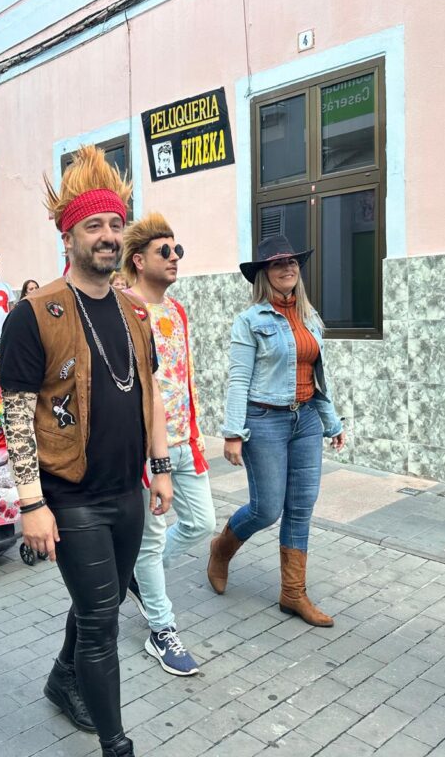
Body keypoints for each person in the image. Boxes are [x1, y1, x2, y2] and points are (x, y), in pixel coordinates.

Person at [0, 145, 173, 757]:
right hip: (69, 496)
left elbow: (149, 392)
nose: (106, 235)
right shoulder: (35, 313)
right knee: (102, 620)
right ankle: (115, 743)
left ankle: (62, 680)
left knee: (103, 600)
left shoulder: (134, 310)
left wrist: (160, 467)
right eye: (93, 225)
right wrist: (30, 503)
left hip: (127, 490)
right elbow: (15, 416)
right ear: (67, 234)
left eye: (114, 224)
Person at [210, 234, 346, 627]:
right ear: (264, 274)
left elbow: (318, 377)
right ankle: (222, 547)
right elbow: (238, 379)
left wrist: (332, 422)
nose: (288, 268)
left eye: (293, 262)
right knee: (267, 508)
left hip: (305, 420)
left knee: (301, 507)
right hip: (264, 420)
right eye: (277, 263)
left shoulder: (310, 318)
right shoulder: (249, 321)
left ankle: (293, 593)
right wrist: (233, 431)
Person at [119, 213, 215, 676]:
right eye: (165, 251)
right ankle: (161, 630)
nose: (175, 258)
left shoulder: (177, 311)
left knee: (202, 523)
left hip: (183, 439)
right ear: (138, 259)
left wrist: (195, 434)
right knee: (151, 540)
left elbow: (183, 379)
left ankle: (141, 575)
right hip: (145, 449)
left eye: (178, 250)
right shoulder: (124, 308)